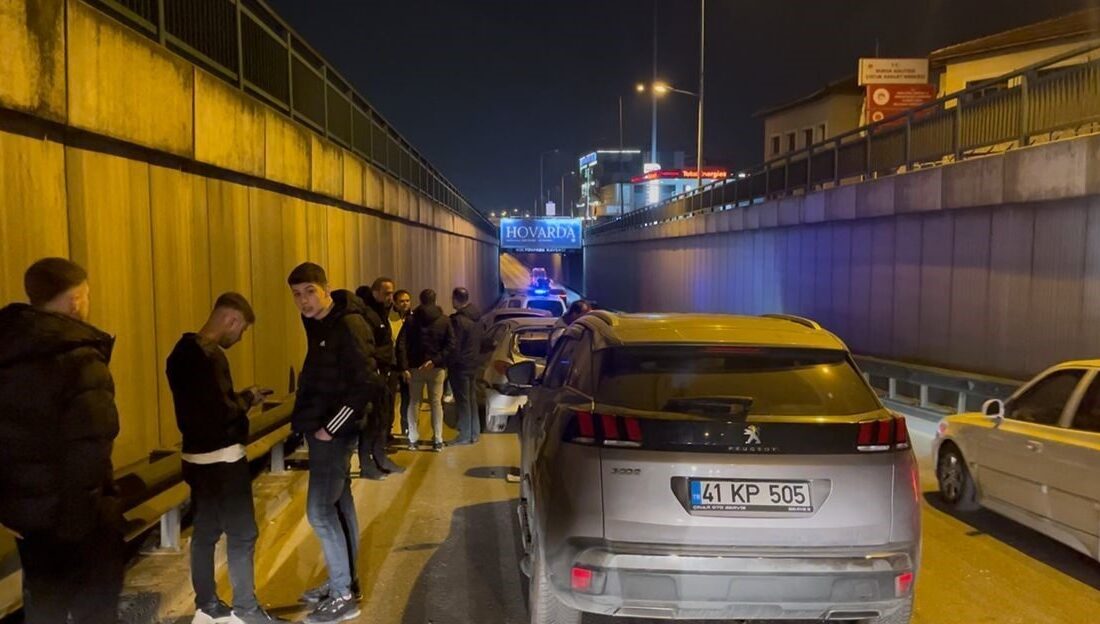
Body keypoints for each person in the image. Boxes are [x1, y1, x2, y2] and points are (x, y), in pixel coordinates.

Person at [0, 258, 124, 624]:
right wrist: (81, 525)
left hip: (27, 521)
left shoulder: (6, 353)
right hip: (81, 522)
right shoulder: (81, 359)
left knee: (44, 611)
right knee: (95, 614)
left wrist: (7, 508)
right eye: (86, 296)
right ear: (74, 301)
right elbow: (90, 449)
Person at [166, 293, 286, 624]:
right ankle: (246, 609)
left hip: (194, 457)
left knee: (205, 532)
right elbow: (220, 412)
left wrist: (238, 397)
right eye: (242, 330)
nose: (240, 337)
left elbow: (203, 405)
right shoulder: (211, 356)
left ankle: (206, 605)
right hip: (223, 459)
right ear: (231, 320)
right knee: (243, 533)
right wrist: (246, 399)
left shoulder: (179, 353)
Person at [288, 263, 378, 624]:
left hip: (334, 433)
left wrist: (330, 427)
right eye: (296, 294)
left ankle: (342, 595)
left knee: (319, 512)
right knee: (340, 507)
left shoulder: (347, 325)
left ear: (326, 288)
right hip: (325, 428)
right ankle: (346, 583)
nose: (303, 300)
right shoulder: (321, 323)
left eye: (310, 291)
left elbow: (367, 382)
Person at [354, 277, 405, 479]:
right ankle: (367, 464)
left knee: (382, 418)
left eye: (392, 293)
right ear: (375, 293)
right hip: (373, 375)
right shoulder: (368, 315)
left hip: (384, 373)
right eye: (386, 293)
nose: (390, 297)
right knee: (371, 421)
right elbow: (369, 347)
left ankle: (379, 456)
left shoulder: (382, 313)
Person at [396, 289, 454, 452]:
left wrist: (404, 366)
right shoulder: (444, 320)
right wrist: (435, 361)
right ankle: (438, 440)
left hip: (415, 368)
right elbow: (451, 345)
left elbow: (401, 344)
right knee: (436, 404)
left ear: (420, 301)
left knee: (414, 403)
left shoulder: (411, 320)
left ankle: (413, 439)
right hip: (436, 369)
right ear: (435, 300)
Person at [447, 287, 483, 446]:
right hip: (473, 364)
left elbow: (455, 345)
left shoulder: (458, 321)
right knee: (472, 399)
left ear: (455, 299)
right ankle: (475, 433)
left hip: (460, 366)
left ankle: (464, 435)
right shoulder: (477, 318)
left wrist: (449, 362)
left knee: (462, 401)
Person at [390, 289, 412, 439]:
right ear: (395, 303)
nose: (405, 304)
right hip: (392, 365)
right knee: (390, 400)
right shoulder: (390, 320)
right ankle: (387, 430)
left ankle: (406, 427)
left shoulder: (414, 319)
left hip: (408, 365)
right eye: (402, 301)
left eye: (407, 301)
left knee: (407, 398)